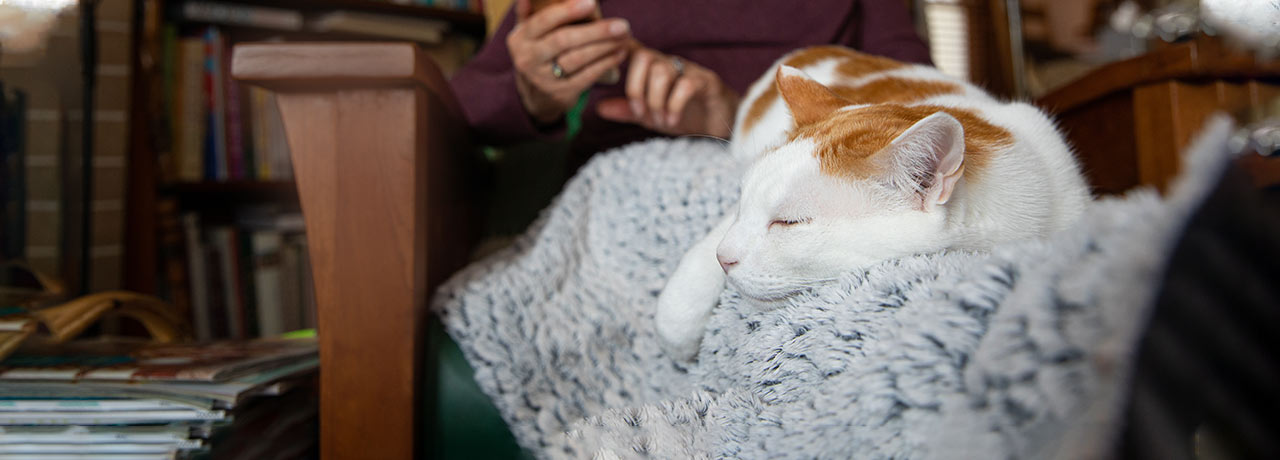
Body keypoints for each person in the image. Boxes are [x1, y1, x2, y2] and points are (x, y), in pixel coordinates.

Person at [450, 0, 932, 166]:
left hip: (808, 168)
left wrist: (734, 115)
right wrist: (534, 93)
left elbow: (922, 104)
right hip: (626, 181)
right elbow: (462, 106)